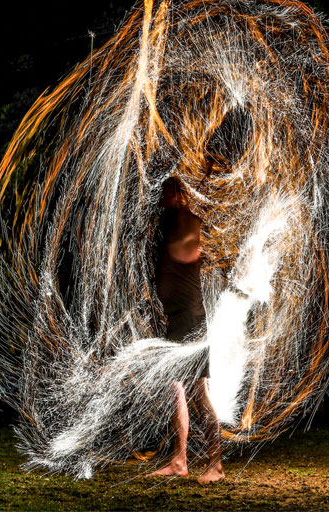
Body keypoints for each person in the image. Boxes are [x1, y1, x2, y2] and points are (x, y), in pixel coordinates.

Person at [148, 177, 224, 484]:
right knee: (176, 389)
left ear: (179, 195)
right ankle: (179, 460)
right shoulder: (168, 226)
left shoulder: (190, 223)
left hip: (192, 322)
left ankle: (216, 465)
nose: (162, 199)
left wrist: (181, 210)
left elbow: (185, 248)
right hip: (175, 320)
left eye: (167, 194)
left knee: (198, 393)